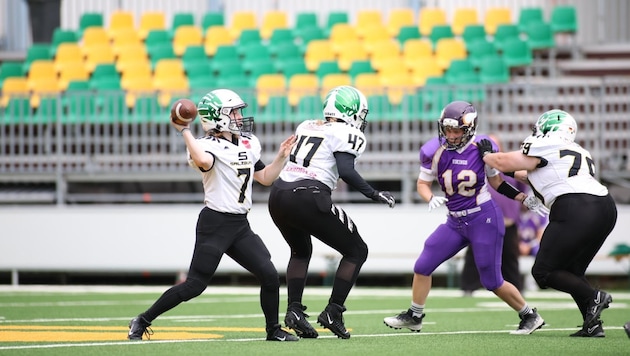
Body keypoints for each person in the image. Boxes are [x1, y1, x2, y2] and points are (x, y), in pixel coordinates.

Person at [127, 89, 299, 342]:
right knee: (195, 285)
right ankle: (142, 319)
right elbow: (204, 162)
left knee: (269, 275)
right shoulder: (204, 146)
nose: (240, 117)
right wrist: (185, 131)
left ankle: (273, 330)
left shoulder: (249, 143)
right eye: (234, 112)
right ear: (218, 117)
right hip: (215, 222)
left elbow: (264, 178)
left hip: (240, 225)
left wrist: (281, 158)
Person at [383, 100, 546, 335]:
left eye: (456, 130)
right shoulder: (432, 149)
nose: (451, 134)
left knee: (491, 281)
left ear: (469, 128)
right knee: (423, 265)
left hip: (483, 219)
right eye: (447, 129)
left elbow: (497, 182)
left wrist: (522, 197)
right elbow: (422, 183)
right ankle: (415, 315)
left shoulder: (482, 147)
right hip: (455, 221)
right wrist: (429, 197)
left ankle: (529, 315)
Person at [268, 85, 396, 339]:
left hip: (279, 194)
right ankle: (333, 311)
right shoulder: (348, 132)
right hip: (308, 195)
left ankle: (294, 310)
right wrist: (373, 193)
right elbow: (346, 171)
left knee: (301, 250)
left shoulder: (307, 125)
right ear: (352, 112)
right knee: (356, 250)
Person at [478, 109, 618, 338]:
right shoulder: (577, 150)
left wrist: (487, 155)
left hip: (575, 207)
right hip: (605, 208)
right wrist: (498, 167)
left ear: (548, 127)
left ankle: (595, 297)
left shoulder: (544, 144)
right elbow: (525, 172)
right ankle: (592, 325)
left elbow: (503, 161)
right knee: (572, 270)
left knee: (543, 271)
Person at [460, 134, 527, 295]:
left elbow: (522, 188)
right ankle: (469, 287)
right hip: (479, 219)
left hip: (507, 220)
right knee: (474, 253)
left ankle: (515, 288)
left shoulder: (510, 167)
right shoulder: (473, 166)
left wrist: (519, 208)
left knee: (510, 255)